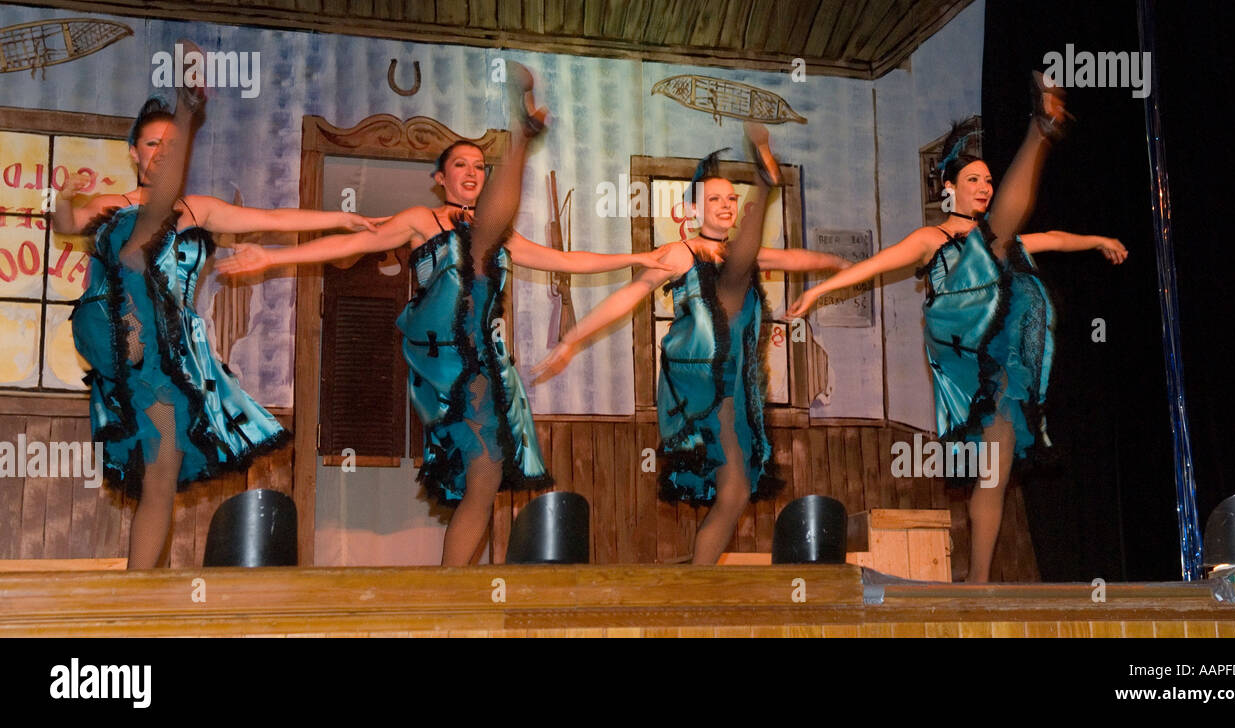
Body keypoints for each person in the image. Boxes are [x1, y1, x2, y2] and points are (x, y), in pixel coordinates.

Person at [217, 62, 670, 565]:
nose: (472, 172)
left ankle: (450, 585)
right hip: (444, 355)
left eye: (480, 166)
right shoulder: (419, 221)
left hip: (486, 358)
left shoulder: (502, 234)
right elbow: (354, 241)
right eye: (461, 165)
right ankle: (521, 139)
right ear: (439, 179)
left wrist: (639, 258)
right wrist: (273, 256)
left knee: (486, 477)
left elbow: (566, 260)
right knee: (483, 469)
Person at [788, 73, 1126, 582]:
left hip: (1000, 347)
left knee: (996, 465)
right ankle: (1040, 131)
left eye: (990, 181)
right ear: (948, 188)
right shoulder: (934, 236)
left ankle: (977, 579)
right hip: (958, 332)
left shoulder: (1003, 238)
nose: (985, 187)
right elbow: (877, 264)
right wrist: (817, 290)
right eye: (975, 180)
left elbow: (1053, 237)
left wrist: (1098, 238)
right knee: (995, 242)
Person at [56, 85, 383, 569]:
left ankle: (138, 589)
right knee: (142, 228)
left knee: (161, 470)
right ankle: (189, 110)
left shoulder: (199, 209)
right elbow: (66, 218)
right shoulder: (111, 203)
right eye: (153, 144)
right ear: (133, 152)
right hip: (122, 331)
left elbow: (271, 219)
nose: (161, 152)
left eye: (172, 143)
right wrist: (63, 200)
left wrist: (339, 217)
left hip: (174, 352)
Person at [533, 123, 848, 565]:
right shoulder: (680, 253)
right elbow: (628, 295)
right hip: (697, 376)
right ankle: (765, 182)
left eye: (731, 200)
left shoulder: (746, 251)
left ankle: (698, 580)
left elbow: (796, 258)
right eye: (715, 199)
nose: (724, 205)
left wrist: (838, 262)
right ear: (693, 209)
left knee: (735, 492)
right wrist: (571, 338)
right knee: (738, 270)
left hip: (734, 385)